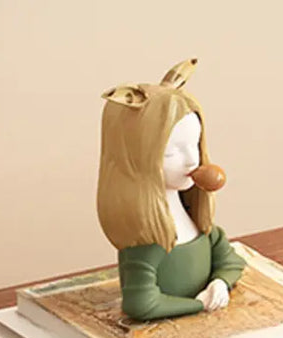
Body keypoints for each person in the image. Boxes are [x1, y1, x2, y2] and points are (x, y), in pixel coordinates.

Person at [98, 59, 245, 322]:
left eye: (195, 144)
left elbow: (231, 261)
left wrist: (220, 284)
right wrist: (197, 305)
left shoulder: (199, 223)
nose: (192, 160)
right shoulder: (145, 245)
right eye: (170, 152)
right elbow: (141, 304)